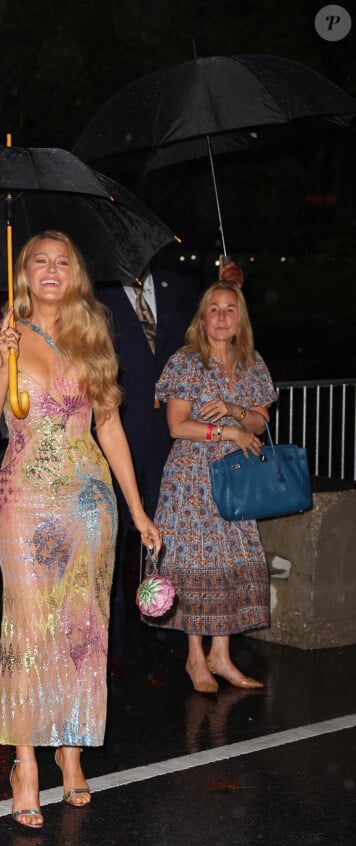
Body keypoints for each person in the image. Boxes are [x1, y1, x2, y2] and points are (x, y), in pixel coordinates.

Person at [0, 230, 161, 828]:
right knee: (29, 627)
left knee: (83, 627)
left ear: (74, 275)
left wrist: (136, 509)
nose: (51, 270)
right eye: (39, 262)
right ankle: (25, 760)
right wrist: (2, 364)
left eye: (62, 262)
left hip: (89, 501)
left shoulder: (91, 336)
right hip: (25, 498)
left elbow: (109, 428)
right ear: (22, 273)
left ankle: (71, 751)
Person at [95, 253, 244, 675]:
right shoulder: (97, 293)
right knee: (117, 539)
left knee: (177, 537)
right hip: (119, 431)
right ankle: (114, 643)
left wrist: (230, 288)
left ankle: (183, 640)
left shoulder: (178, 288)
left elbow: (216, 329)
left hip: (176, 442)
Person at [146, 279, 278, 693]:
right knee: (196, 564)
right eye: (214, 309)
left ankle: (221, 655)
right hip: (191, 479)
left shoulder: (251, 363)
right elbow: (176, 425)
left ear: (240, 320)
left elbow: (260, 420)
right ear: (202, 319)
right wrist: (227, 432)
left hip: (236, 478)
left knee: (228, 564)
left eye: (230, 309)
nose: (222, 317)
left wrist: (236, 412)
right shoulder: (186, 362)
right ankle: (195, 658)